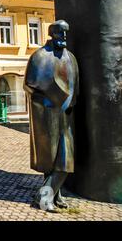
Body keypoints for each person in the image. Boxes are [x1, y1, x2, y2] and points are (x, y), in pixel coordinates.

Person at [24, 20, 79, 212]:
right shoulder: (39, 56)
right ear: (51, 34)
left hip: (66, 114)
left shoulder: (70, 57)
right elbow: (29, 84)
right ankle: (49, 196)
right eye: (59, 34)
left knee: (65, 159)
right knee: (51, 158)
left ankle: (50, 195)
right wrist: (50, 98)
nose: (63, 38)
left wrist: (71, 100)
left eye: (65, 34)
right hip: (47, 115)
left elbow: (74, 84)